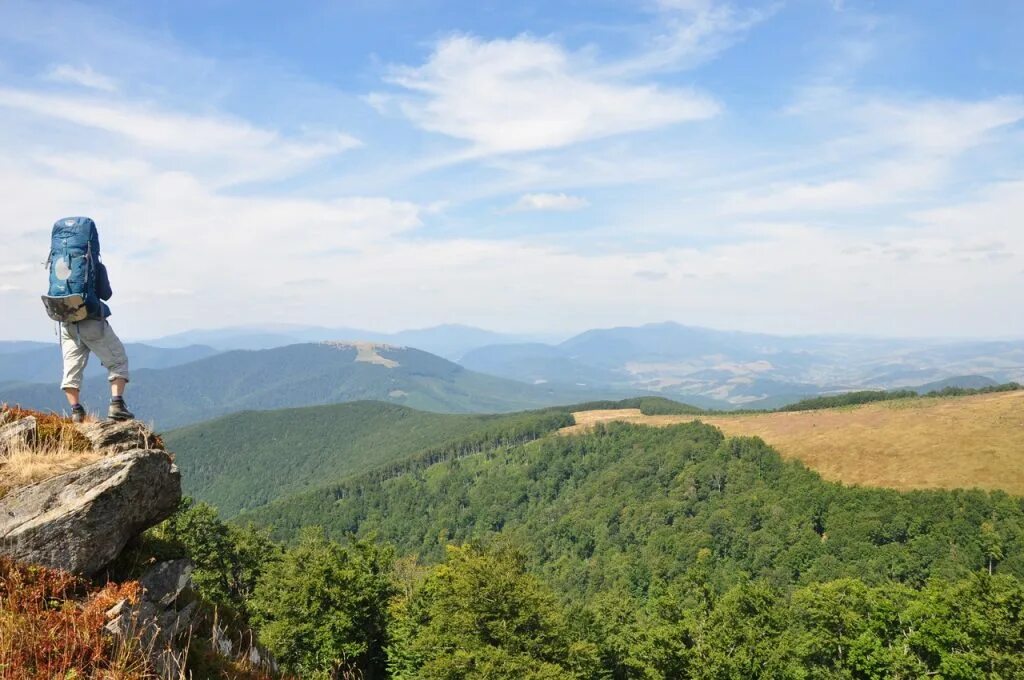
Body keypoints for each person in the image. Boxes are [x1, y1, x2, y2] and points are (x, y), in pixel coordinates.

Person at [45, 217, 134, 423]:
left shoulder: (59, 261)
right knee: (118, 361)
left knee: (71, 370)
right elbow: (106, 293)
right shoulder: (94, 264)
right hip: (91, 320)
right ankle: (117, 405)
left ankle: (76, 411)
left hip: (66, 320)